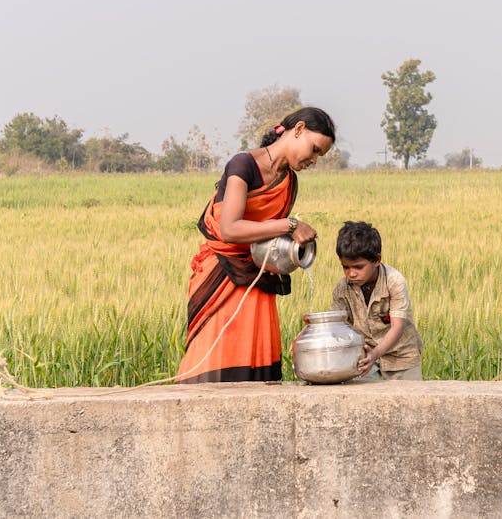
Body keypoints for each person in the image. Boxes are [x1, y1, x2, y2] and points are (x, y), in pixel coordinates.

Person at [176, 107, 335, 383]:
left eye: (320, 155)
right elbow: (230, 229)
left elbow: (267, 237)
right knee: (215, 359)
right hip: (223, 277)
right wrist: (291, 225)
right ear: (297, 130)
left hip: (258, 279)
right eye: (314, 149)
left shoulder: (289, 181)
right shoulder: (243, 165)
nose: (314, 160)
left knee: (258, 367)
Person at [328, 221, 424, 380]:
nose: (351, 274)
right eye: (346, 267)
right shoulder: (342, 288)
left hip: (402, 358)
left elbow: (397, 326)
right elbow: (335, 324)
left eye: (358, 267)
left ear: (377, 260)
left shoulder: (394, 281)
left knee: (409, 402)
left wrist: (376, 354)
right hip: (366, 361)